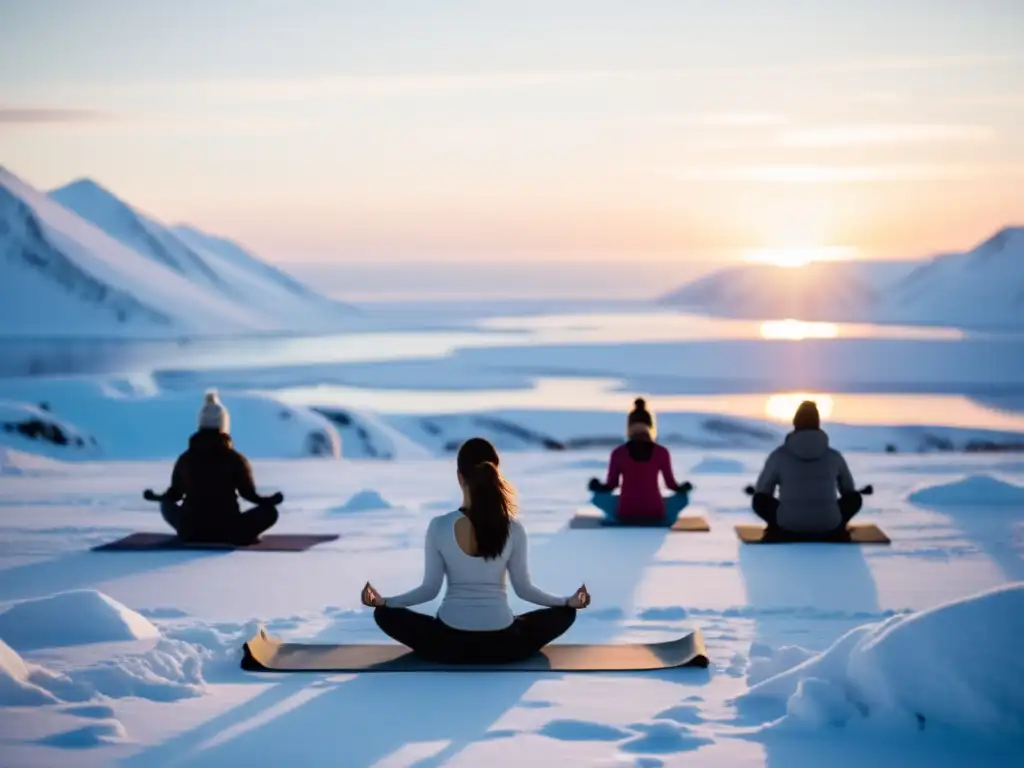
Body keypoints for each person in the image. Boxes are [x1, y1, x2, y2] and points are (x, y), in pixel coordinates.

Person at [362, 437, 591, 664]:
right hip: (504, 644)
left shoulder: (439, 526)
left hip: (449, 643)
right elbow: (524, 590)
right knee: (563, 614)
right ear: (496, 473)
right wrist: (565, 602)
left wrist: (385, 603)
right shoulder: (514, 528)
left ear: (459, 476)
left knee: (385, 614)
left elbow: (429, 590)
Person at [142, 391, 282, 545]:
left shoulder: (186, 458)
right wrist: (270, 501)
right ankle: (236, 534)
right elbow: (248, 494)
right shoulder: (235, 459)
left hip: (191, 531)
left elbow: (174, 495)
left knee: (166, 504)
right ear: (224, 425)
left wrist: (156, 497)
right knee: (270, 513)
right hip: (229, 531)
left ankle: (195, 532)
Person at [751, 400, 861, 537]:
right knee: (855, 498)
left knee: (758, 500)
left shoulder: (778, 455)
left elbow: (763, 491)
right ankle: (836, 527)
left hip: (787, 524)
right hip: (828, 524)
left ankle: (778, 528)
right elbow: (848, 491)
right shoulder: (834, 456)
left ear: (795, 423)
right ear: (818, 424)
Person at [588, 398, 692, 525]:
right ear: (651, 428)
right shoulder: (661, 452)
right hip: (655, 511)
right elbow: (670, 485)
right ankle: (666, 517)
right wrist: (683, 488)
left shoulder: (618, 452)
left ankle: (614, 517)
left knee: (599, 498)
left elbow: (611, 485)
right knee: (682, 499)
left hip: (626, 511)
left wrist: (597, 487)